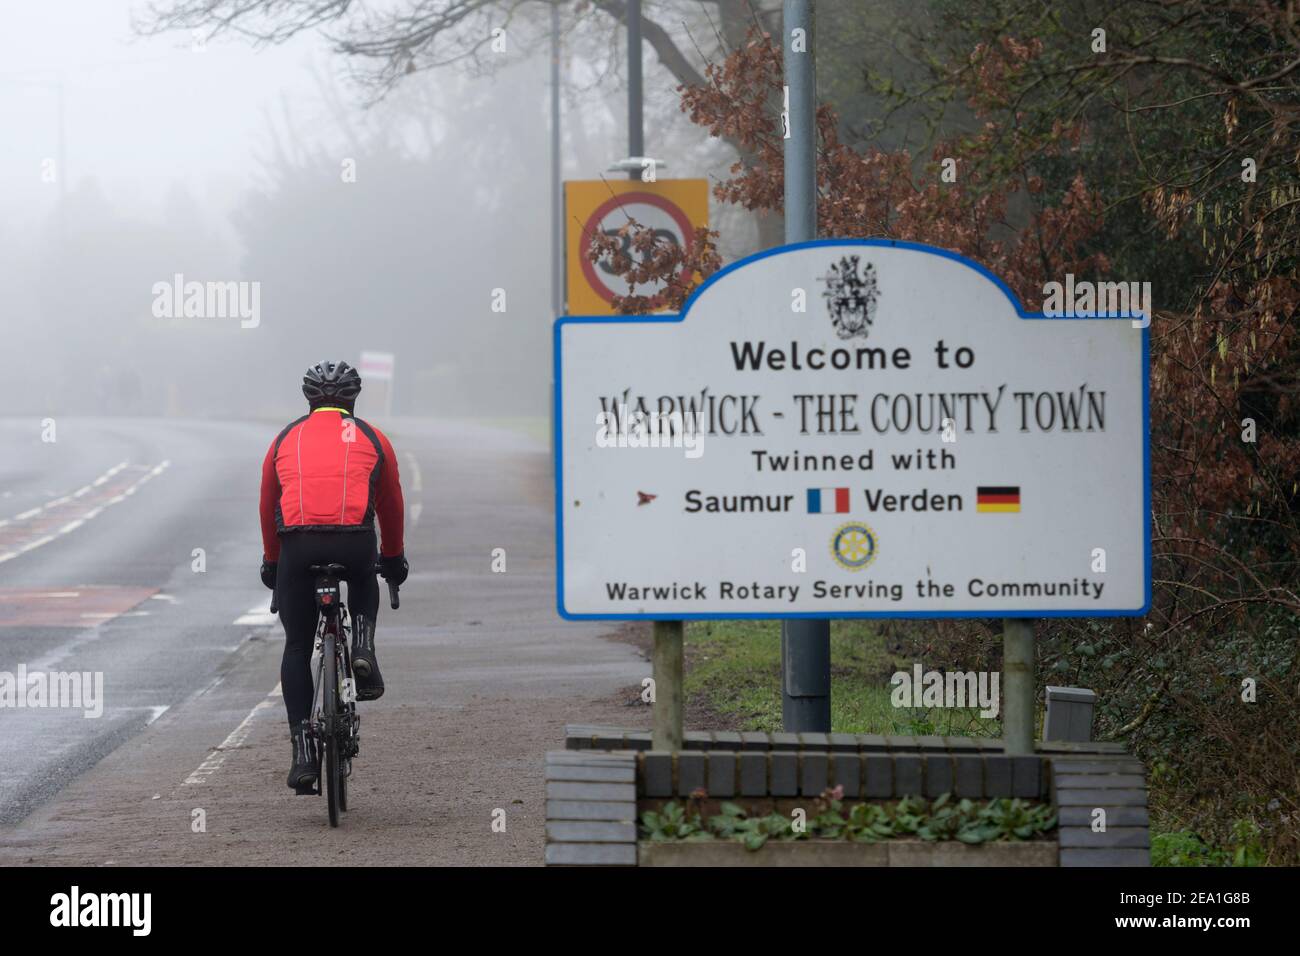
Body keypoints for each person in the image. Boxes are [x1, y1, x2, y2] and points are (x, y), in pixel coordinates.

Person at [258, 360, 409, 792]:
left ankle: (304, 752)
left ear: (308, 400)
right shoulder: (373, 437)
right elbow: (391, 503)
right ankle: (361, 644)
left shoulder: (285, 438)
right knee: (363, 580)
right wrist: (393, 558)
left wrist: (272, 561)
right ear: (353, 400)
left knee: (298, 645)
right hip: (353, 541)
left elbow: (269, 503)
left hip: (298, 545)